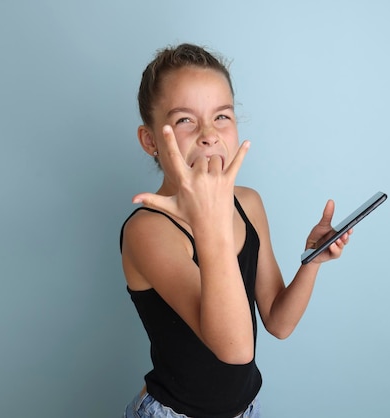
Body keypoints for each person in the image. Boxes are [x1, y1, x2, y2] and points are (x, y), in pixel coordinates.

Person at [120, 43, 352, 418]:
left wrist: (312, 262)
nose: (209, 134)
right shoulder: (148, 230)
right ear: (150, 141)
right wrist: (210, 222)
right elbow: (234, 349)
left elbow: (278, 320)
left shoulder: (248, 203)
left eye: (222, 116)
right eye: (184, 120)